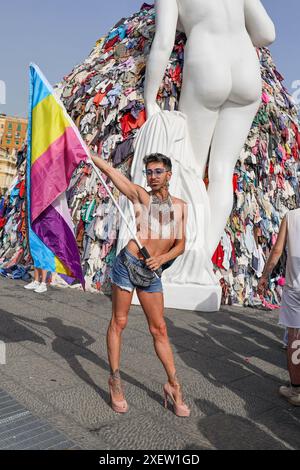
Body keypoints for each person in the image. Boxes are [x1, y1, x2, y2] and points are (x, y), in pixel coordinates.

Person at [144, 0, 275, 258]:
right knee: (222, 172)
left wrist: (150, 99)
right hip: (247, 72)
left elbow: (163, 42)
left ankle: (183, 260)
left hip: (207, 65)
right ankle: (202, 260)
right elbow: (267, 34)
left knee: (190, 167)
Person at [91, 151, 190, 417]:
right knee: (119, 322)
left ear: (169, 174)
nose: (153, 176)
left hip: (151, 271)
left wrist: (162, 258)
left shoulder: (180, 206)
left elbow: (181, 244)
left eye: (158, 171)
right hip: (128, 263)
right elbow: (113, 175)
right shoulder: (141, 196)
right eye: (149, 172)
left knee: (159, 329)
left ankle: (173, 384)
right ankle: (115, 380)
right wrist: (91, 156)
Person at [258, 208, 300, 406]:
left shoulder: (291, 217)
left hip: (295, 288)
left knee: (295, 337)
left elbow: (277, 251)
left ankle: (296, 389)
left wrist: (265, 276)